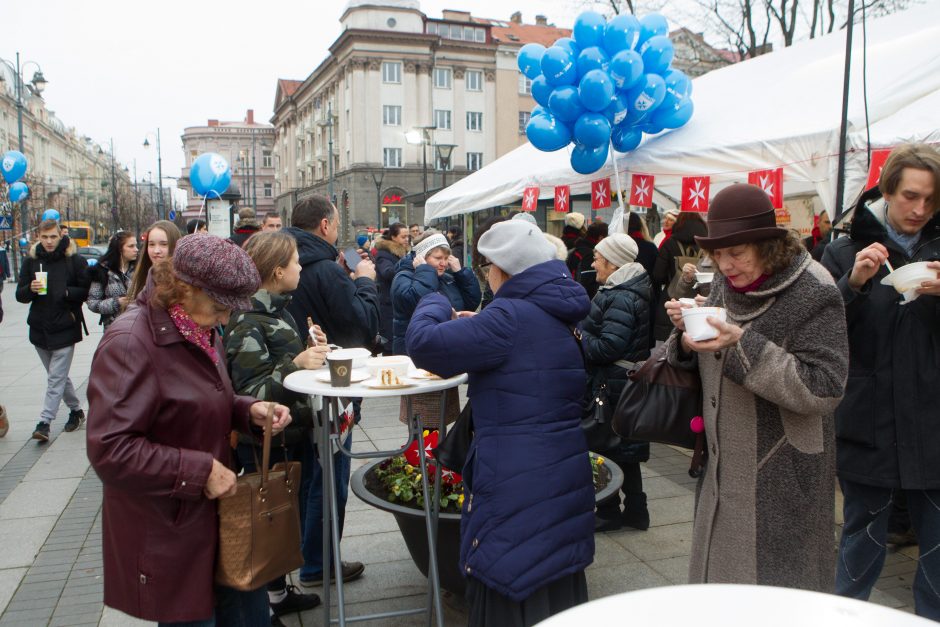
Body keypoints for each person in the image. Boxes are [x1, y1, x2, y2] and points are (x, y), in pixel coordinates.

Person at [86, 233, 293, 625]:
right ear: (185, 288)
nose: (226, 319)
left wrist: (247, 411)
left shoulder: (196, 324)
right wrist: (198, 471)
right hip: (171, 531)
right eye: (220, 307)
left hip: (214, 525)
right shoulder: (129, 342)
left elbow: (197, 399)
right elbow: (110, 449)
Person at [406, 219, 593, 626]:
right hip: (559, 468)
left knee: (511, 571)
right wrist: (481, 324)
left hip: (514, 474)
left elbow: (423, 344)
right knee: (551, 569)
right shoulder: (555, 305)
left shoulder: (507, 315)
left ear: (503, 270)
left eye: (488, 266)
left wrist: (436, 301)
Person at [663, 183, 848, 589]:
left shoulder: (814, 289)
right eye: (718, 253)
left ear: (766, 244)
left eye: (736, 253)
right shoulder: (725, 283)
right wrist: (683, 335)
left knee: (777, 593)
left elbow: (826, 387)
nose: (725, 265)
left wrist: (742, 344)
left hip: (781, 473)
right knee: (722, 587)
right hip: (721, 465)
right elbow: (709, 354)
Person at [820, 143, 940, 620]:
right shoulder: (842, 248)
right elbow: (819, 332)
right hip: (869, 420)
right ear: (887, 190)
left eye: (931, 200)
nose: (920, 209)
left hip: (934, 422)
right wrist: (853, 284)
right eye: (910, 196)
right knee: (860, 543)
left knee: (936, 552)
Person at [224, 231, 329, 622]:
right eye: (297, 261)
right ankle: (265, 602)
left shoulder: (278, 310)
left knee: (285, 520)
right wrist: (297, 364)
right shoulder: (248, 320)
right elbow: (252, 393)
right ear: (277, 270)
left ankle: (279, 592)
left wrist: (312, 348)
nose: (302, 267)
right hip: (271, 442)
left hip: (294, 435)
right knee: (269, 521)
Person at [283, 194, 376, 585]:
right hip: (333, 390)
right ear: (324, 225)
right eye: (336, 224)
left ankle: (305, 557)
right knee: (330, 475)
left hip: (298, 389)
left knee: (307, 475)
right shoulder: (326, 270)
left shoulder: (283, 261)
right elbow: (362, 327)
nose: (336, 230)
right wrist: (367, 283)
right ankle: (319, 564)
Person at [581, 233, 652, 532]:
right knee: (624, 449)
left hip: (612, 385)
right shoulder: (627, 289)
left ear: (612, 262)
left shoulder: (620, 294)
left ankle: (608, 510)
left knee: (603, 446)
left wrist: (579, 336)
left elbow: (608, 347)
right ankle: (636, 510)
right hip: (623, 383)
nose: (593, 262)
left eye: (598, 257)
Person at [390, 229, 481, 429]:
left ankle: (434, 457)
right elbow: (417, 299)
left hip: (442, 354)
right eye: (438, 257)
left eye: (446, 257)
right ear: (422, 256)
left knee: (441, 416)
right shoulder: (404, 276)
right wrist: (424, 271)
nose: (443, 262)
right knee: (422, 417)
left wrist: (461, 273)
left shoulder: (446, 278)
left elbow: (472, 301)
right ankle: (420, 457)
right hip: (416, 359)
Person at [16, 219, 89, 441]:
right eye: (44, 237)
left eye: (53, 237)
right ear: (38, 236)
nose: (49, 242)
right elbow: (20, 295)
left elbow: (85, 290)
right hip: (39, 328)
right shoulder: (31, 262)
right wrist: (30, 288)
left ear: (61, 236)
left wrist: (67, 293)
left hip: (65, 325)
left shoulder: (74, 260)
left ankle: (44, 422)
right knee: (57, 376)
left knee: (55, 378)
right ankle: (76, 411)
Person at [652, 212, 708, 341]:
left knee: (670, 347)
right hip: (701, 302)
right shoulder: (707, 246)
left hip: (673, 302)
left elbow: (658, 275)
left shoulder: (670, 243)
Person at [87, 231, 138, 329]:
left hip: (138, 327)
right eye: (131, 246)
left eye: (135, 246)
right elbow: (92, 303)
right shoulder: (101, 270)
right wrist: (116, 303)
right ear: (119, 249)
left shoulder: (140, 268)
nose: (136, 249)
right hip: (113, 329)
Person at [373, 223, 409, 354]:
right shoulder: (384, 254)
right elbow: (387, 272)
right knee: (390, 344)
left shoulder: (404, 253)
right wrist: (406, 264)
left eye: (408, 237)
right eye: (403, 236)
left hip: (399, 302)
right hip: (388, 305)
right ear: (393, 237)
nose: (406, 239)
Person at [127, 220, 182, 301]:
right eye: (151, 244)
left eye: (164, 244)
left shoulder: (185, 284)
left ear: (175, 245)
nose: (156, 251)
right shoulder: (138, 281)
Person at [567, 221, 607, 300]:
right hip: (585, 301)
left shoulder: (575, 250)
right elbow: (590, 285)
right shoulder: (591, 255)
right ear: (601, 238)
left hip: (572, 296)